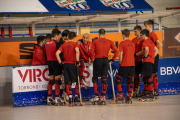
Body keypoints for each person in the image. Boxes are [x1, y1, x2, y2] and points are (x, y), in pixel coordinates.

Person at [90, 29, 119, 105]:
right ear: (104, 34)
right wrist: (112, 59)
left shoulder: (95, 41)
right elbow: (117, 51)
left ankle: (96, 96)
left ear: (98, 34)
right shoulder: (109, 41)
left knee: (95, 78)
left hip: (98, 60)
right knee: (104, 78)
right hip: (106, 60)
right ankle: (103, 97)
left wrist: (92, 58)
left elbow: (91, 52)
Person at [56, 32, 81, 106]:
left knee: (68, 81)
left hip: (66, 65)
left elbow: (57, 53)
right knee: (77, 79)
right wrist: (77, 61)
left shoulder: (63, 45)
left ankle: (70, 97)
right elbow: (77, 51)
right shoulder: (75, 44)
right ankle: (76, 96)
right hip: (73, 64)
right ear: (73, 38)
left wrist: (60, 62)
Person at [115, 29, 135, 104]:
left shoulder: (122, 43)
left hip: (124, 64)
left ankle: (120, 95)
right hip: (132, 65)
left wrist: (120, 63)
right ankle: (129, 95)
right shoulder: (133, 43)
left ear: (123, 35)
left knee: (118, 79)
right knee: (130, 80)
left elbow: (121, 55)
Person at [144, 20, 162, 99]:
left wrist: (156, 53)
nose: (145, 27)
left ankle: (155, 90)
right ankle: (150, 90)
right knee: (151, 73)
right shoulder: (149, 35)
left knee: (153, 73)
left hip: (153, 56)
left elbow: (160, 44)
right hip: (151, 57)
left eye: (146, 26)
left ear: (150, 26)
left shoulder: (153, 35)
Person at [45, 29, 64, 106]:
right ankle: (57, 97)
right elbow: (60, 53)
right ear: (56, 35)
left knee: (51, 80)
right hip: (56, 62)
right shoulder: (56, 43)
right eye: (58, 35)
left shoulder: (47, 43)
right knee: (57, 80)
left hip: (49, 62)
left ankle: (49, 97)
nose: (59, 37)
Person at [140, 29, 158, 101]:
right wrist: (152, 56)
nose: (140, 36)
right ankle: (149, 92)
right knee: (148, 76)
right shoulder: (151, 42)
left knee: (148, 77)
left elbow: (146, 49)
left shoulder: (144, 42)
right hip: (151, 61)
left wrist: (145, 56)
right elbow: (156, 50)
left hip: (146, 61)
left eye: (141, 35)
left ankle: (150, 93)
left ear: (144, 35)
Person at [132, 25, 143, 97]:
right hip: (135, 61)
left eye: (135, 31)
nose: (134, 32)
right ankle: (136, 90)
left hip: (141, 61)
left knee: (143, 76)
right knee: (135, 76)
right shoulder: (133, 40)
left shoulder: (143, 39)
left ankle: (144, 90)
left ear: (139, 31)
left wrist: (136, 54)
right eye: (134, 31)